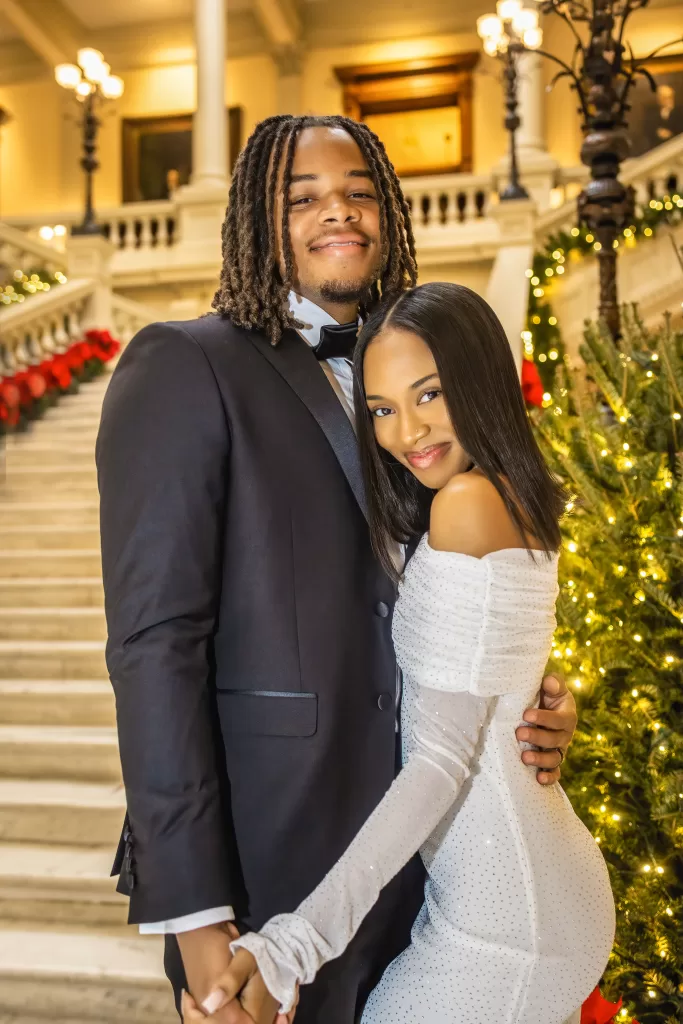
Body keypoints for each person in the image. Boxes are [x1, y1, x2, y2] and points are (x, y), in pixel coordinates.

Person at [96, 115, 579, 1024]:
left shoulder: (422, 370)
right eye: (303, 196)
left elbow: (457, 589)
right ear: (257, 218)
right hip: (273, 860)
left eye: (359, 189)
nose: (339, 212)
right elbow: (155, 648)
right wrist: (199, 915)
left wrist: (530, 694)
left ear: (388, 209)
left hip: (429, 862)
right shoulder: (184, 365)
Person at [194, 283, 615, 1024]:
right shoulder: (501, 491)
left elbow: (441, 763)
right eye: (382, 408)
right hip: (511, 890)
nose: (403, 431)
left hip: (509, 920)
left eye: (429, 395)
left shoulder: (467, 503)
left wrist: (295, 945)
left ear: (479, 378)